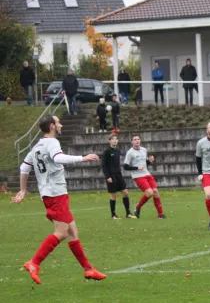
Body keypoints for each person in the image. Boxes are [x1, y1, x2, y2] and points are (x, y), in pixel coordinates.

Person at [11, 115, 106, 285]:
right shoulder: (52, 143)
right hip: (55, 193)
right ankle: (34, 263)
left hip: (51, 193)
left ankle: (88, 269)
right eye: (58, 122)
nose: (61, 125)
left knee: (72, 231)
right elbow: (58, 158)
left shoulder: (37, 146)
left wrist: (23, 189)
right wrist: (83, 158)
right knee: (62, 232)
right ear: (52, 126)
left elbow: (24, 167)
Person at [124, 135, 165, 219]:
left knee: (155, 191)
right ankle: (138, 207)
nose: (137, 141)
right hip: (138, 176)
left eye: (138, 139)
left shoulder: (144, 150)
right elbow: (125, 166)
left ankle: (161, 215)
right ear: (132, 142)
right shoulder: (130, 152)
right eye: (134, 140)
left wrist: (149, 161)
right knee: (149, 193)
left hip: (147, 174)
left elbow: (145, 163)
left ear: (140, 140)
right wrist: (137, 168)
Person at [102, 133, 135, 219]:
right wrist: (107, 177)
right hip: (111, 175)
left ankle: (128, 213)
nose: (115, 140)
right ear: (110, 141)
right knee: (113, 195)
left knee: (125, 193)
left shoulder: (118, 151)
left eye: (116, 139)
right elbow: (103, 165)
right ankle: (113, 215)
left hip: (118, 174)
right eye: (113, 139)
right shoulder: (107, 152)